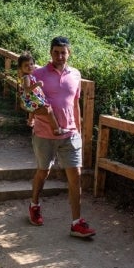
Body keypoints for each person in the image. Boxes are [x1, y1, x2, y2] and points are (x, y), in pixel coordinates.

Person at [28, 36, 95, 238]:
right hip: (44, 134)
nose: (59, 56)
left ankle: (76, 222)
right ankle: (34, 204)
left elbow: (75, 104)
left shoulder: (75, 75)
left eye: (63, 52)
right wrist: (37, 116)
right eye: (56, 52)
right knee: (43, 172)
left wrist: (79, 130)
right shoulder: (37, 74)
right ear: (50, 53)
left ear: (69, 53)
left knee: (76, 177)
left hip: (71, 134)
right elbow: (29, 103)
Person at [17, 51, 69, 135]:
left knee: (35, 108)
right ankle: (56, 129)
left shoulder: (29, 75)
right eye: (26, 65)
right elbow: (27, 90)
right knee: (49, 110)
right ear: (21, 68)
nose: (29, 67)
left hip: (30, 100)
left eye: (31, 64)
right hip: (31, 99)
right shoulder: (26, 77)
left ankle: (30, 121)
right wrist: (37, 84)